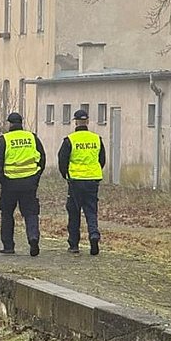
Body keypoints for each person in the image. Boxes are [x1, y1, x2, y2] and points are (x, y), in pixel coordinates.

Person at [0, 112, 46, 256]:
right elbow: (42, 158)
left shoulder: (4, 140)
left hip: (9, 184)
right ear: (21, 123)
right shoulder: (32, 138)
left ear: (9, 124)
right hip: (29, 183)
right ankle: (33, 238)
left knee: (7, 214)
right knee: (31, 213)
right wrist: (36, 176)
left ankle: (8, 246)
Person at [58, 109, 106, 256]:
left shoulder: (70, 140)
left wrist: (65, 175)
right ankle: (94, 234)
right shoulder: (96, 139)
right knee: (91, 210)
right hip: (92, 180)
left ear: (76, 122)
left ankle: (74, 244)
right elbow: (102, 160)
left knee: (74, 212)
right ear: (87, 121)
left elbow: (62, 160)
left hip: (75, 181)